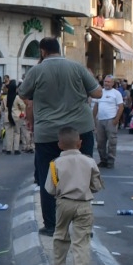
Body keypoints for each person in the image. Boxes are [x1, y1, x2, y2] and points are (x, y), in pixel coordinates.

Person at [18, 37, 101, 236]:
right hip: (79, 130)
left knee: (49, 178)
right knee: (81, 176)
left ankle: (51, 225)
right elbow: (97, 93)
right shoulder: (77, 68)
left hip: (48, 132)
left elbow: (23, 94)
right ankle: (83, 226)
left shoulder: (36, 71)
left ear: (42, 51)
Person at [48, 127, 103, 265]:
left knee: (60, 235)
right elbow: (96, 186)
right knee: (81, 241)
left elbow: (51, 188)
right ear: (80, 143)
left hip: (63, 203)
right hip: (84, 205)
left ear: (59, 145)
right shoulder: (89, 162)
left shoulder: (54, 163)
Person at [92, 74, 124, 168]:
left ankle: (110, 161)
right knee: (100, 142)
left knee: (112, 142)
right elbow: (96, 106)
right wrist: (93, 118)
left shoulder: (116, 93)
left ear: (113, 83)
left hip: (111, 120)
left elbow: (121, 107)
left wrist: (116, 120)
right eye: (105, 81)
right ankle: (103, 160)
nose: (106, 83)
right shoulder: (100, 92)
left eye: (109, 82)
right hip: (100, 120)